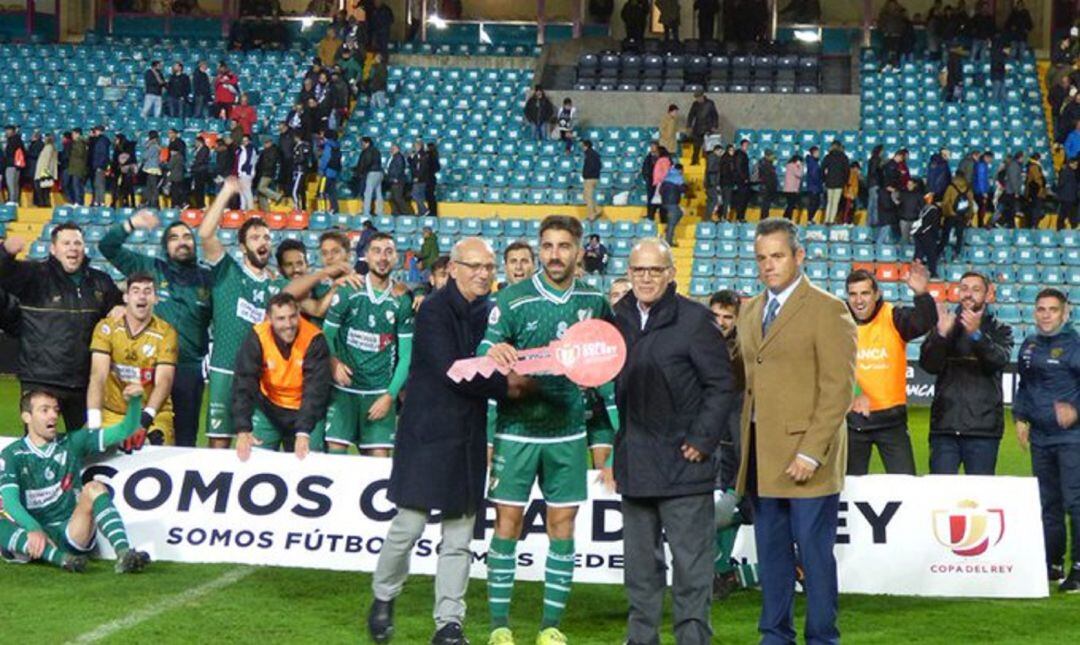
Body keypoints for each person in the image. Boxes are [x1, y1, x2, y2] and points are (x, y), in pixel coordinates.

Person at [368, 238, 524, 645]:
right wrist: (510, 386)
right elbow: (455, 370)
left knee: (459, 535)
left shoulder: (493, 312)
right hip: (427, 434)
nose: (483, 273)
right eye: (474, 266)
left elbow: (499, 356)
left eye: (489, 267)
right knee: (408, 525)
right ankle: (384, 596)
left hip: (467, 436)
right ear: (452, 268)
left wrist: (514, 362)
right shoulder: (434, 310)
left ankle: (448, 624)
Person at [480, 216, 613, 645]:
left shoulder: (595, 300)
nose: (555, 254)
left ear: (579, 251)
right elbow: (486, 351)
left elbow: (607, 359)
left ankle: (550, 627)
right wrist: (495, 351)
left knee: (563, 526)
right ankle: (500, 626)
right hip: (517, 429)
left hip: (568, 431)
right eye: (548, 246)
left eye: (564, 246)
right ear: (540, 250)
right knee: (507, 524)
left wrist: (603, 433)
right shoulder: (514, 298)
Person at [735, 218, 857, 645]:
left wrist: (811, 451)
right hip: (762, 461)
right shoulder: (749, 309)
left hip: (809, 462)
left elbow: (838, 389)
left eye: (778, 256)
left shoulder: (828, 309)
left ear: (799, 256)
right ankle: (775, 636)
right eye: (762, 258)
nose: (769, 266)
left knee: (815, 557)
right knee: (771, 558)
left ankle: (822, 638)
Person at [612, 238, 734, 645]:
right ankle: (640, 640)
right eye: (638, 270)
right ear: (629, 273)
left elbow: (721, 385)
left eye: (655, 270)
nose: (646, 277)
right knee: (640, 572)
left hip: (686, 466)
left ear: (671, 274)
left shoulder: (696, 320)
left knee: (691, 571)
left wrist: (702, 439)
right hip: (635, 464)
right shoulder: (617, 318)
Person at [0, 385, 150, 573]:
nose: (53, 416)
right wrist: (33, 527)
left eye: (55, 410)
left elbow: (124, 430)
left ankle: (124, 554)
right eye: (44, 410)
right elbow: (9, 501)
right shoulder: (13, 454)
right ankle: (63, 560)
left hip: (72, 532)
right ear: (27, 417)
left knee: (95, 487)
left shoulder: (72, 442)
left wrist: (135, 402)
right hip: (35, 537)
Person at [98, 210, 212, 447]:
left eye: (186, 237)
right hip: (149, 369)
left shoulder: (208, 278)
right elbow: (107, 246)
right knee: (141, 432)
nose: (182, 241)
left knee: (185, 439)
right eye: (174, 238)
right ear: (164, 246)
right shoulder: (150, 268)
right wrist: (131, 224)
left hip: (187, 370)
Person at [0, 226, 123, 432]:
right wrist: (5, 252)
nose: (73, 248)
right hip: (41, 380)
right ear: (53, 249)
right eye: (66, 243)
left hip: (84, 382)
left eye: (77, 243)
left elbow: (119, 313)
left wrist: (121, 307)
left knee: (86, 448)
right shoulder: (34, 275)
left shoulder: (101, 282)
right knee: (40, 446)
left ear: (84, 248)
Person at [198, 179, 291, 449]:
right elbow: (205, 233)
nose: (263, 242)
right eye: (255, 237)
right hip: (225, 367)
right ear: (242, 247)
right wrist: (227, 192)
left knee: (256, 445)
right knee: (219, 442)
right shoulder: (228, 272)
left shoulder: (278, 286)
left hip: (260, 375)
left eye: (266, 237)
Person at [1012, 288, 1080, 592]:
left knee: (1075, 503)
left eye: (1053, 309)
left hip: (1072, 439)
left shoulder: (1075, 346)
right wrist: (1020, 418)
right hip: (1041, 438)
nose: (1046, 315)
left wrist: (1075, 410)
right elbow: (1025, 387)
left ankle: (1078, 569)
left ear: (1065, 313)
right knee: (1048, 504)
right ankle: (1052, 563)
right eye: (1041, 309)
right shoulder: (1028, 345)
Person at [322, 233, 413, 458]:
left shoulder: (401, 300)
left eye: (388, 252)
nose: (383, 257)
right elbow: (325, 336)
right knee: (334, 457)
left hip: (379, 394)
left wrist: (390, 396)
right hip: (344, 391)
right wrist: (333, 363)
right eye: (377, 251)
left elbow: (406, 355)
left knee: (379, 462)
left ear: (396, 258)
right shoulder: (349, 291)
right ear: (366, 256)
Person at [844, 264, 936, 476]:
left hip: (891, 423)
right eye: (853, 294)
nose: (859, 300)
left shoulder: (894, 317)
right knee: (849, 490)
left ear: (877, 294)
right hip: (853, 422)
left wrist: (921, 293)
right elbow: (832, 369)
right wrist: (856, 393)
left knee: (904, 486)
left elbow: (926, 321)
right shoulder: (840, 323)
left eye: (865, 293)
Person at [919, 272, 1014, 475]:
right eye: (964, 288)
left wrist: (976, 335)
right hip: (944, 428)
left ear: (988, 295)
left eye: (975, 289)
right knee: (940, 500)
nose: (968, 294)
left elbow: (996, 361)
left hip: (983, 431)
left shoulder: (1001, 330)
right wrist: (940, 336)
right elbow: (928, 365)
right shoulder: (945, 324)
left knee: (980, 500)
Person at [232, 292, 332, 461]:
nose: (288, 324)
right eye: (281, 319)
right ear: (269, 319)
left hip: (305, 410)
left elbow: (315, 390)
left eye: (292, 317)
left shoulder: (314, 339)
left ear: (299, 313)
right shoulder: (258, 336)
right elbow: (244, 381)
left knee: (309, 460)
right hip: (268, 408)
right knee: (254, 458)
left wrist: (303, 432)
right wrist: (243, 429)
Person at [87, 272, 177, 447]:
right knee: (88, 449)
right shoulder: (107, 327)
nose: (142, 296)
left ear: (156, 299)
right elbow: (98, 376)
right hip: (112, 412)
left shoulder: (166, 333)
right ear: (126, 297)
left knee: (152, 446)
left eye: (148, 291)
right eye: (135, 291)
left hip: (153, 414)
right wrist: (93, 422)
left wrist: (144, 420)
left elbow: (164, 380)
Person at [940, 171, 974, 260]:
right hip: (962, 216)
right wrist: (969, 216)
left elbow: (946, 202)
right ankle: (957, 254)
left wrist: (947, 213)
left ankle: (941, 252)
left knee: (945, 234)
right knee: (959, 235)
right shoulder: (968, 188)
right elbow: (970, 203)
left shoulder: (951, 187)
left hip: (951, 215)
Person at [912, 192, 943, 277]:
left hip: (918, 233)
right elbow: (933, 224)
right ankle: (932, 273)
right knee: (931, 255)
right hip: (928, 235)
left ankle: (915, 272)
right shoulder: (933, 210)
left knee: (919, 253)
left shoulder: (923, 209)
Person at [821, 141, 850, 225]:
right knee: (835, 202)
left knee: (829, 202)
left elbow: (822, 168)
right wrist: (845, 181)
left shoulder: (828, 156)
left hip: (829, 182)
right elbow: (847, 171)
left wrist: (824, 179)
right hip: (839, 182)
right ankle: (831, 220)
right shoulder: (843, 157)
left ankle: (827, 219)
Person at [687, 92, 718, 166]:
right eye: (696, 98)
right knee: (696, 147)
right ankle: (694, 161)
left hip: (708, 128)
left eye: (698, 97)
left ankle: (709, 163)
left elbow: (715, 115)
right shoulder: (695, 104)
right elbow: (691, 115)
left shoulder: (710, 103)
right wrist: (689, 125)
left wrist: (715, 126)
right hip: (697, 128)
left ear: (702, 96)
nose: (697, 99)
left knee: (708, 148)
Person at [356, 136, 384, 217]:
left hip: (371, 173)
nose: (362, 145)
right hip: (379, 172)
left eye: (363, 143)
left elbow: (366, 163)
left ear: (367, 143)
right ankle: (380, 212)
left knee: (368, 193)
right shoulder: (376, 150)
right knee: (378, 193)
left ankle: (366, 212)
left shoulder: (367, 151)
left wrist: (360, 171)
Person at [661, 163, 687, 246]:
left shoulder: (667, 176)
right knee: (672, 222)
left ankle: (668, 230)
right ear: (680, 170)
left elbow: (660, 191)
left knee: (680, 213)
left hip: (665, 202)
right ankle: (668, 242)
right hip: (672, 202)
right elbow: (683, 189)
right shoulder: (679, 177)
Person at [385, 143, 412, 215]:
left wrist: (395, 178)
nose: (391, 150)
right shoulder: (394, 157)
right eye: (391, 148)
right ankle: (395, 213)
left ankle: (407, 213)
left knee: (398, 198)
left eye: (393, 148)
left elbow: (400, 168)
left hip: (397, 181)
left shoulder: (399, 157)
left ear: (397, 149)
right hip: (393, 180)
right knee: (393, 198)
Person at [32, 133, 57, 208]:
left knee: (41, 190)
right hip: (47, 172)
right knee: (45, 191)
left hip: (43, 172)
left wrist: (44, 174)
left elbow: (46, 162)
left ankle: (42, 205)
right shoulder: (52, 148)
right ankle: (45, 205)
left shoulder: (48, 148)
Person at [63, 129, 87, 206]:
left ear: (77, 134)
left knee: (76, 185)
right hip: (75, 167)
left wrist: (72, 152)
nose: (72, 136)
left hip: (77, 167)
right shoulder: (76, 143)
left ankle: (78, 202)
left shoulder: (79, 143)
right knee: (76, 185)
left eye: (73, 134)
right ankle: (77, 201)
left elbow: (80, 153)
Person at [89, 125, 111, 208]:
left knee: (99, 184)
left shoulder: (101, 141)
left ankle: (100, 201)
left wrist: (99, 165)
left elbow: (102, 155)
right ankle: (98, 201)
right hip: (98, 165)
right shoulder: (99, 140)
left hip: (99, 165)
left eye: (96, 131)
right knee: (97, 183)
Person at [1055, 156, 1079, 231]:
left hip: (1069, 197)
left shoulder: (1072, 172)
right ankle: (1073, 227)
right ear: (1070, 164)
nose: (1076, 166)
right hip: (1067, 197)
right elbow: (1060, 183)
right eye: (1075, 164)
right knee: (1070, 214)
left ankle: (1059, 228)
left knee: (1063, 214)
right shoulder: (1066, 172)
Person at [582, 139, 602, 221]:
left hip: (589, 178)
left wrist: (586, 174)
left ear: (586, 146)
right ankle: (597, 210)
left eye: (582, 146)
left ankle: (591, 216)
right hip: (595, 177)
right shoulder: (595, 154)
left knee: (588, 197)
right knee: (588, 196)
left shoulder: (589, 154)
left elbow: (590, 166)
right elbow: (600, 165)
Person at [804, 146, 824, 223]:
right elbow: (814, 174)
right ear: (813, 153)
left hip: (815, 186)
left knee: (816, 203)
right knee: (814, 203)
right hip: (814, 186)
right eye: (817, 152)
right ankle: (809, 219)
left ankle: (810, 218)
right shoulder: (812, 162)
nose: (819, 154)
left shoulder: (814, 162)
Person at [756, 150, 778, 220]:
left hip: (767, 186)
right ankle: (763, 219)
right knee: (765, 204)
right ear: (767, 156)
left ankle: (764, 218)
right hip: (766, 186)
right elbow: (769, 177)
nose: (773, 157)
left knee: (766, 204)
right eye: (771, 156)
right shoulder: (765, 164)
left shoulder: (767, 163)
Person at [782, 154, 803, 220]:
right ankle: (787, 217)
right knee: (791, 204)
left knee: (790, 204)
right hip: (792, 189)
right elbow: (799, 174)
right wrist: (801, 167)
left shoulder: (789, 165)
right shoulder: (794, 166)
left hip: (787, 188)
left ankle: (786, 217)